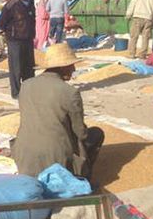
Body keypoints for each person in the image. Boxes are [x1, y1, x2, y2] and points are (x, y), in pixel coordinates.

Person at [13, 43, 104, 180]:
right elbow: (81, 133)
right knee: (96, 134)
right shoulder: (69, 92)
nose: (74, 69)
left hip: (23, 155)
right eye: (71, 65)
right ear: (62, 67)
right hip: (55, 159)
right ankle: (83, 177)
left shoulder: (26, 85)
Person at [0, 0, 36, 99]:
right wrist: (6, 33)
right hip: (15, 40)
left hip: (28, 39)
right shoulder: (12, 4)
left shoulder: (30, 2)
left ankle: (29, 90)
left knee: (29, 67)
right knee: (16, 67)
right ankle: (16, 92)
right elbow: (2, 21)